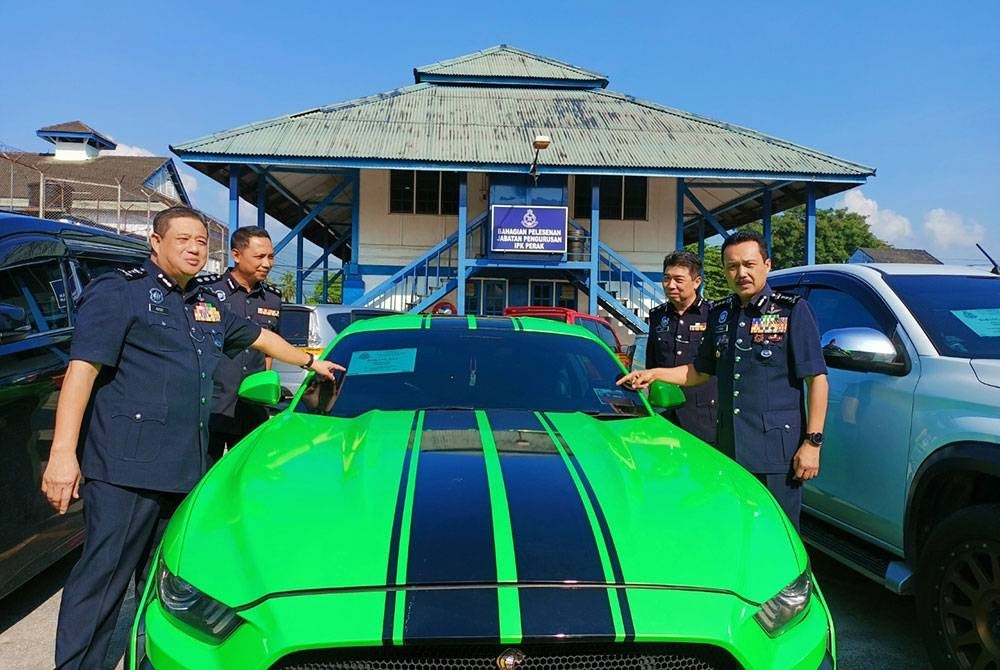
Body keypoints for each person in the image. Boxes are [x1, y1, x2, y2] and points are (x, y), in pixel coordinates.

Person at [40, 206, 343, 670]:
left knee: (163, 590)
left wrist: (309, 363)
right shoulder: (121, 293)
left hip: (184, 473)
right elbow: (82, 372)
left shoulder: (205, 303)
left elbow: (259, 336)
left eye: (201, 241)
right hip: (126, 471)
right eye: (182, 239)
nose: (194, 248)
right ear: (155, 243)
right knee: (102, 585)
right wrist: (62, 453)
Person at [619, 231, 827, 529]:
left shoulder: (792, 311)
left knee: (777, 532)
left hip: (776, 452)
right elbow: (698, 372)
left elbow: (816, 379)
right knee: (734, 528)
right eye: (732, 266)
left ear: (767, 265)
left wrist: (813, 442)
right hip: (729, 449)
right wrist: (653, 373)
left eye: (749, 264)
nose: (741, 273)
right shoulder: (721, 315)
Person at [204, 227, 282, 463]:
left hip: (252, 409)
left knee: (246, 474)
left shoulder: (273, 298)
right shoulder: (207, 291)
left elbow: (269, 352)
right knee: (204, 477)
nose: (267, 263)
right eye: (259, 257)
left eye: (270, 256)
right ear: (236, 255)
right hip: (213, 405)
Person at [646, 251, 718, 445]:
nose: (671, 285)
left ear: (696, 282)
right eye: (666, 278)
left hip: (704, 415)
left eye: (678, 279)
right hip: (664, 414)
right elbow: (652, 362)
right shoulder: (657, 316)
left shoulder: (714, 315)